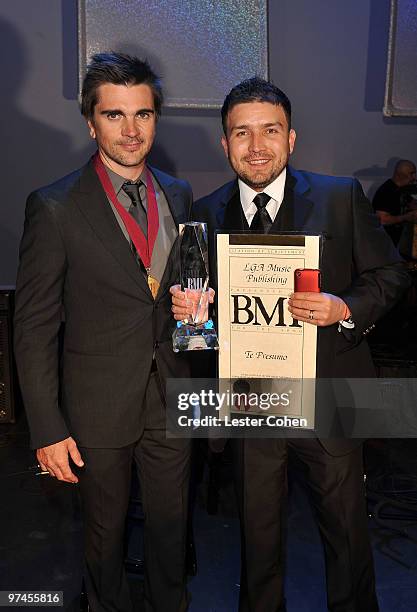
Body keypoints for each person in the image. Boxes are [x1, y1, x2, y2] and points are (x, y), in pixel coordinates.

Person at [171, 77, 410, 611]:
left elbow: (391, 276)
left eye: (270, 131)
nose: (256, 146)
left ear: (292, 138)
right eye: (241, 133)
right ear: (224, 143)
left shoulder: (340, 195)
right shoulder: (204, 215)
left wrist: (344, 308)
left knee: (348, 542)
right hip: (251, 401)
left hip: (334, 396)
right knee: (258, 548)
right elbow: (197, 331)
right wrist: (192, 318)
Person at [14, 52, 192, 612]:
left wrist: (197, 316)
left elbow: (185, 296)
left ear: (156, 119)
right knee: (103, 539)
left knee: (171, 535)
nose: (131, 130)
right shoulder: (54, 206)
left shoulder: (179, 195)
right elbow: (34, 326)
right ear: (91, 123)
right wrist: (46, 428)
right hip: (96, 409)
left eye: (142, 114)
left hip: (172, 399)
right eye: (115, 116)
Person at [372, 159, 417, 245]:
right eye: (411, 174)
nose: (414, 178)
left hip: (399, 241)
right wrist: (405, 217)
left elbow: (412, 203)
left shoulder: (401, 189)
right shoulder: (386, 191)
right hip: (386, 243)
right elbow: (382, 220)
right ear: (400, 174)